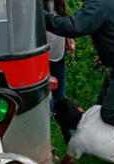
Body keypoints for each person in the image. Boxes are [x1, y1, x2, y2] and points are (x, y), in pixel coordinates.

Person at [43, 0, 114, 126]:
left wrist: (40, 15)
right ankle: (110, 142)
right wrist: (110, 53)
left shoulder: (98, 4)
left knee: (110, 113)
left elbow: (72, 27)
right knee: (100, 107)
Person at [45, 0, 76, 143]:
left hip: (58, 54)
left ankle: (67, 137)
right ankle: (44, 139)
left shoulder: (59, 3)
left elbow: (65, 21)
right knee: (44, 100)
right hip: (40, 55)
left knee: (60, 97)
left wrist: (69, 37)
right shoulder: (34, 4)